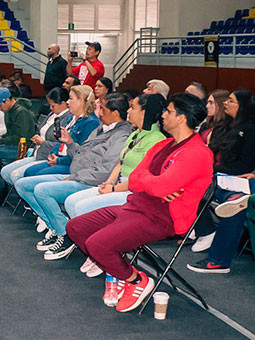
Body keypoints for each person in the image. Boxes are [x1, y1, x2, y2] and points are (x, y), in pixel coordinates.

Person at [67, 93, 213, 313]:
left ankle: (136, 280)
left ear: (182, 118)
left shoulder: (197, 153)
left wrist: (154, 184)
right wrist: (154, 183)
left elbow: (158, 186)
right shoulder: (164, 144)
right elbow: (135, 178)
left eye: (168, 111)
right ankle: (118, 271)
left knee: (97, 244)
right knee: (75, 227)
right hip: (137, 206)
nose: (162, 115)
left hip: (164, 218)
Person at [16, 93, 132, 260]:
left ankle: (65, 234)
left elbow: (106, 170)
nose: (99, 112)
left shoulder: (121, 136)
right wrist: (70, 143)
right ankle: (57, 228)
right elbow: (81, 154)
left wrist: (75, 176)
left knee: (42, 190)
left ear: (114, 113)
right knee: (23, 185)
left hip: (90, 181)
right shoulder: (101, 127)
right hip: (77, 174)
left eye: (103, 109)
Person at [64, 94, 167, 220]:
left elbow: (142, 178)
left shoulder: (157, 140)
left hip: (134, 191)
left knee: (81, 207)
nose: (128, 111)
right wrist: (109, 182)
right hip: (118, 185)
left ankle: (91, 237)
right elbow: (121, 162)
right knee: (71, 201)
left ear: (143, 113)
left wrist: (113, 189)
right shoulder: (136, 134)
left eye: (133, 108)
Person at [188, 89, 255, 259]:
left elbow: (245, 164)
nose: (226, 103)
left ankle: (209, 233)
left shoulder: (250, 128)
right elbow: (213, 153)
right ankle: (205, 228)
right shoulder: (227, 126)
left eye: (231, 101)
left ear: (242, 106)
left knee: (197, 185)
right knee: (191, 181)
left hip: (238, 177)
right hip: (224, 175)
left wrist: (214, 171)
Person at [21, 85, 100, 178]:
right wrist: (53, 154)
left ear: (82, 101)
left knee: (36, 176)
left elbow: (82, 154)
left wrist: (59, 161)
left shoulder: (91, 122)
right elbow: (60, 140)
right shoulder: (71, 118)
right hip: (59, 158)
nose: (67, 102)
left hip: (72, 164)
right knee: (29, 172)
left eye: (71, 99)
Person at [0, 87, 72, 186]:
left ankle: (24, 192)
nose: (50, 108)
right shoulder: (53, 114)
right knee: (5, 171)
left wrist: (42, 142)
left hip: (47, 156)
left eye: (53, 106)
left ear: (63, 104)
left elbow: (61, 145)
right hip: (36, 153)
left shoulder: (67, 119)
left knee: (15, 175)